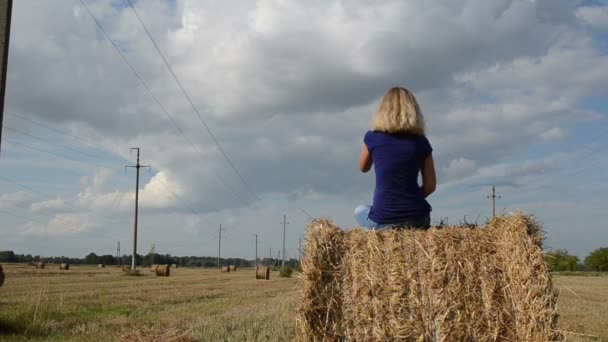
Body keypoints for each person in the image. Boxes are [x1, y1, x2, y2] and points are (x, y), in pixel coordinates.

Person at [354, 86, 436, 230]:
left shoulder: (372, 137)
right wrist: (410, 200)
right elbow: (430, 186)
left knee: (359, 210)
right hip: (418, 218)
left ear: (382, 111)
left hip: (384, 219)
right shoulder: (421, 141)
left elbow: (363, 168)